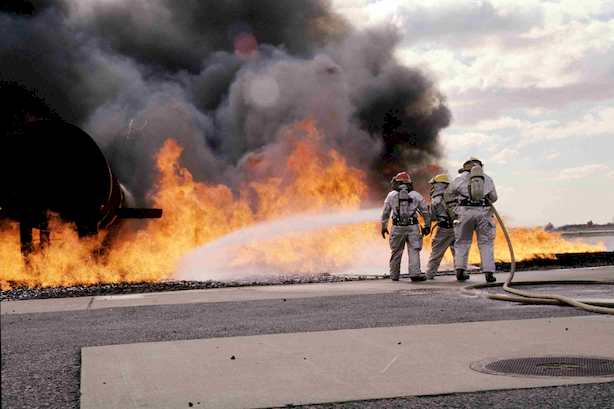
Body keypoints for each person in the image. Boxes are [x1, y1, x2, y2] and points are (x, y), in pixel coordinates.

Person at [447, 157, 498, 282]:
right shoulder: (488, 178)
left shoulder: (459, 178)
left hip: (465, 212)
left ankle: (460, 270)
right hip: (484, 213)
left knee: (462, 242)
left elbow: (450, 192)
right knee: (486, 243)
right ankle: (489, 273)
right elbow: (494, 197)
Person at [381, 172, 432, 282]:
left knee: (396, 251)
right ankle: (415, 274)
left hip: (397, 227)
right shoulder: (416, 195)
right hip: (412, 226)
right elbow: (425, 212)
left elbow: (385, 212)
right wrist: (427, 225)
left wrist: (384, 226)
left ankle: (394, 275)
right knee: (414, 250)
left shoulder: (391, 195)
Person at [425, 174, 457, 279]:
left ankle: (430, 274)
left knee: (436, 252)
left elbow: (433, 217)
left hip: (444, 229)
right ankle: (461, 273)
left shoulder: (436, 199)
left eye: (434, 184)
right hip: (457, 227)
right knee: (458, 252)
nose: (433, 187)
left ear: (439, 184)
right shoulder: (455, 196)